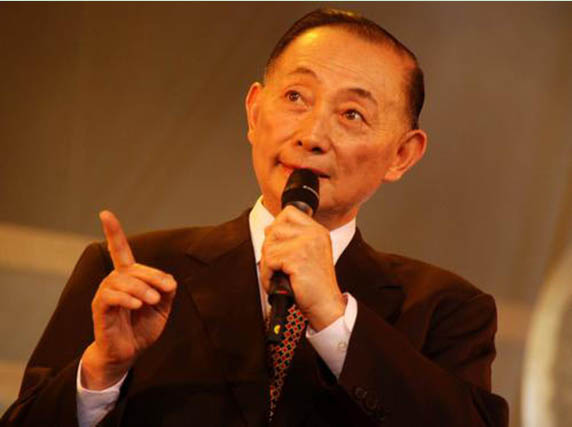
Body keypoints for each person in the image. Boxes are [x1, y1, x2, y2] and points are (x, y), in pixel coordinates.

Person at [1, 8, 509, 427]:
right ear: (254, 111)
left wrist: (334, 317)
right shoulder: (133, 274)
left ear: (402, 154)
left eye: (352, 114)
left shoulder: (447, 310)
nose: (312, 134)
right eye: (296, 98)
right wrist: (100, 373)